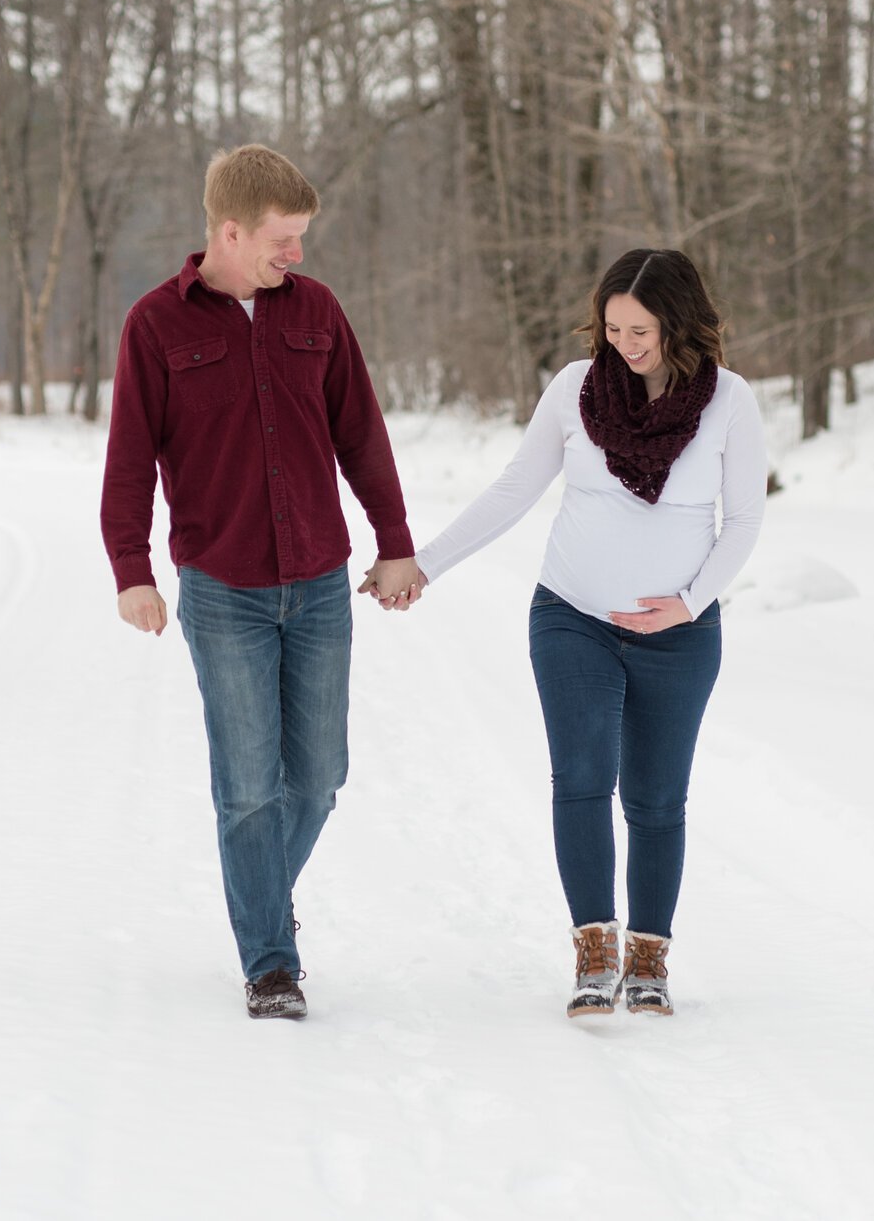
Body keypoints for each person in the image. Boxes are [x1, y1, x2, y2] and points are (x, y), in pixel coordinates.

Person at [101, 145, 423, 1021]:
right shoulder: (155, 327)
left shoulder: (316, 311)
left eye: (303, 238)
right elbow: (129, 461)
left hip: (319, 581)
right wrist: (132, 570)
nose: (299, 255)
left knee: (317, 776)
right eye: (285, 239)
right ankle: (270, 962)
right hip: (222, 588)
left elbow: (363, 435)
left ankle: (258, 892)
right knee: (246, 783)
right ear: (231, 231)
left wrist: (395, 541)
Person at [410, 249, 764, 1017]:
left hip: (681, 634)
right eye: (612, 327)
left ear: (678, 322)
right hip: (572, 616)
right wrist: (426, 564)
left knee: (657, 798)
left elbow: (742, 521)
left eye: (641, 329)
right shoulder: (575, 389)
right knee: (581, 775)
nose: (626, 343)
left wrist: (691, 600)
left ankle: (649, 960)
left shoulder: (729, 400)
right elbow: (514, 488)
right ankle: (594, 950)